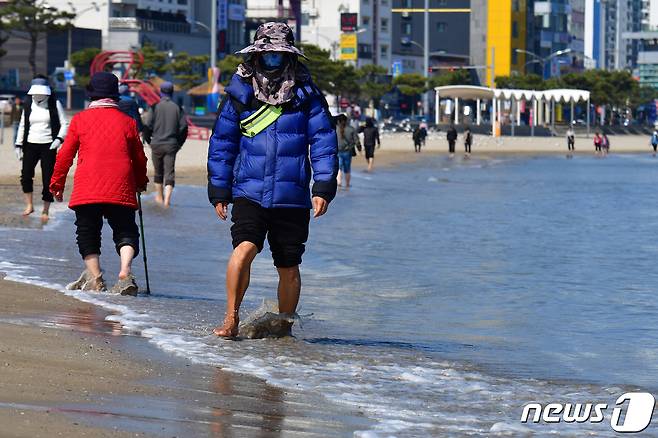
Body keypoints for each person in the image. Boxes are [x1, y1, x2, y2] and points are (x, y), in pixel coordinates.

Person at [207, 22, 337, 338]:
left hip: (292, 195)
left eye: (278, 55)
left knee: (288, 265)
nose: (272, 60)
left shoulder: (307, 94)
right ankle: (231, 318)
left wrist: (323, 186)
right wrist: (219, 188)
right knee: (244, 249)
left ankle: (283, 328)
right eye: (267, 55)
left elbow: (323, 139)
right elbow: (223, 143)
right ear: (256, 56)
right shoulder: (239, 91)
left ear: (289, 57)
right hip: (248, 191)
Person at [49, 72, 149, 295]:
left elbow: (65, 155)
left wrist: (57, 182)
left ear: (91, 95)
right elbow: (140, 157)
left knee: (87, 232)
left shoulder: (79, 120)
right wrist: (140, 182)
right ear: (115, 95)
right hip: (120, 184)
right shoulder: (128, 122)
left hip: (88, 186)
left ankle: (96, 278)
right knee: (126, 230)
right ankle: (125, 272)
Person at [15, 77, 68, 219]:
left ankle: (45, 210)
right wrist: (18, 144)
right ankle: (29, 205)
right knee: (26, 175)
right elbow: (22, 125)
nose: (38, 96)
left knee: (48, 179)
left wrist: (58, 139)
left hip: (48, 145)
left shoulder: (55, 103)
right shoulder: (27, 105)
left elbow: (65, 124)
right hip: (30, 144)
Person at [143, 81, 188, 208]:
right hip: (171, 144)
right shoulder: (177, 108)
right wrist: (179, 143)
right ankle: (167, 201)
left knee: (158, 172)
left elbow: (147, 127)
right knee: (170, 173)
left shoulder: (154, 107)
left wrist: (149, 142)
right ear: (172, 92)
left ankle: (159, 197)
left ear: (160, 92)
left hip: (156, 143)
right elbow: (184, 128)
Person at [336, 113, 359, 188]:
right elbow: (356, 141)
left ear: (338, 121)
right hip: (347, 152)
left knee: (339, 168)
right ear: (346, 121)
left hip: (338, 151)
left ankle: (339, 182)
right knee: (347, 169)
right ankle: (347, 184)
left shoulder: (336, 129)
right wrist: (359, 148)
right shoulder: (351, 129)